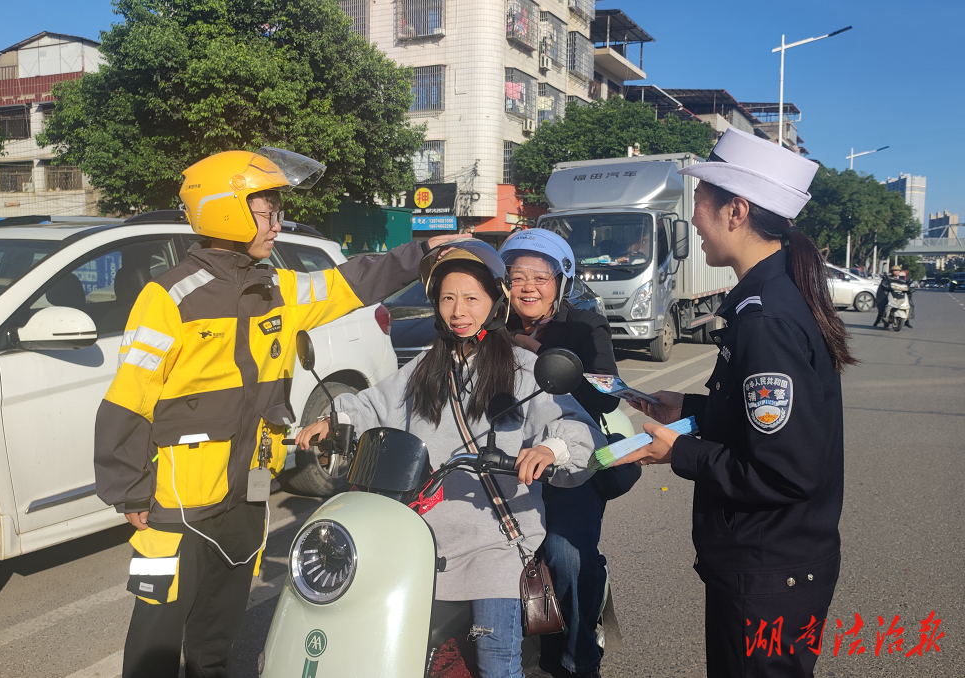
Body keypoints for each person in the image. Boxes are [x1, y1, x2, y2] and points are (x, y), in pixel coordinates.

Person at [94, 146, 467, 678]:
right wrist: (128, 489)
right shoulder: (170, 297)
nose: (276, 224)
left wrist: (422, 252)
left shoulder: (277, 288)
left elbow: (350, 283)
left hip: (247, 497)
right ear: (228, 209)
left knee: (217, 639)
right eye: (267, 212)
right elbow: (128, 396)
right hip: (176, 505)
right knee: (155, 640)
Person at [296, 240, 605, 678]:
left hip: (496, 540)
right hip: (422, 539)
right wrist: (336, 419)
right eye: (448, 298)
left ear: (495, 303)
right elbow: (373, 405)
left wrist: (548, 449)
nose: (459, 310)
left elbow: (575, 425)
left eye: (471, 298)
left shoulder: (521, 368)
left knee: (497, 662)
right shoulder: (422, 369)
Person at [615, 128, 856, 677]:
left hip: (768, 576)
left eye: (700, 200)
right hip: (769, 569)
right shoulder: (767, 300)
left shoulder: (765, 319)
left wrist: (677, 453)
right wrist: (693, 408)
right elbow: (765, 424)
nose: (694, 217)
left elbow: (783, 470)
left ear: (736, 211)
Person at [501, 228, 639, 678]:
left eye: (540, 277)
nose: (527, 287)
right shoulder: (488, 325)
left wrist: (543, 353)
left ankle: (580, 656)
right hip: (503, 460)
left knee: (565, 553)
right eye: (516, 275)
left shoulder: (584, 325)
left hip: (569, 459)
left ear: (561, 281)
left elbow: (607, 395)